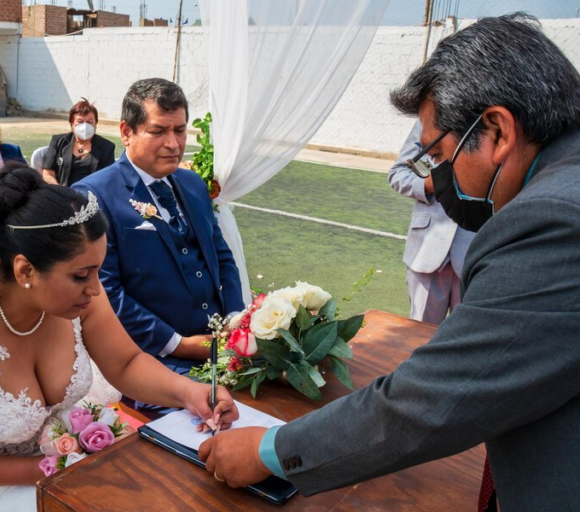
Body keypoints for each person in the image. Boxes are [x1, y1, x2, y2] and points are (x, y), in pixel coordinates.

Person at [199, 13, 580, 511]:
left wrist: (270, 451)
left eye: (441, 155)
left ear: (497, 130)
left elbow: (432, 402)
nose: (440, 176)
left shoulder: (550, 220)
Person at [0, 164, 238, 512]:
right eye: (81, 275)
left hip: (68, 450)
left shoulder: (81, 298)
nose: (96, 288)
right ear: (25, 271)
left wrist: (189, 393)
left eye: (98, 270)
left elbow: (126, 362)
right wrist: (53, 466)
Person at [72, 78, 244, 379]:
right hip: (150, 359)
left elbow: (221, 255)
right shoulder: (92, 195)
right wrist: (179, 344)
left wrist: (234, 318)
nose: (174, 144)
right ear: (127, 132)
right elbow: (104, 291)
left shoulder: (192, 184)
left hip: (224, 347)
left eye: (180, 130)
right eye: (158, 131)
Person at [388, 121, 474, 324]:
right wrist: (427, 185)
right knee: (417, 335)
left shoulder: (495, 121)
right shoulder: (428, 118)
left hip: (476, 250)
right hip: (427, 249)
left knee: (467, 338)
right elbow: (398, 174)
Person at [42, 98, 115, 186]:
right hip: (62, 194)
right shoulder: (58, 141)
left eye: (89, 122)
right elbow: (47, 173)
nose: (85, 126)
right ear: (72, 124)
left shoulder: (107, 147)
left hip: (91, 196)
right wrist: (60, 191)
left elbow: (108, 179)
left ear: (96, 124)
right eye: (80, 122)